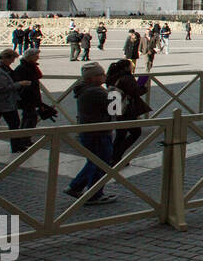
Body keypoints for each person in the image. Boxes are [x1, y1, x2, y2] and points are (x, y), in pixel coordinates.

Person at [64, 62, 117, 204]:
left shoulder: (85, 89)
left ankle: (75, 187)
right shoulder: (96, 91)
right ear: (91, 78)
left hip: (89, 131)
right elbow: (116, 109)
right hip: (98, 132)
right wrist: (114, 92)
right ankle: (94, 194)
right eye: (101, 74)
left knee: (94, 162)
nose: (104, 76)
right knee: (101, 163)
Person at [106, 58, 149, 163]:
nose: (132, 66)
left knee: (120, 133)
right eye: (131, 65)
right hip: (126, 109)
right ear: (126, 67)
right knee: (135, 132)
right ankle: (116, 156)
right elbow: (135, 92)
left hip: (115, 107)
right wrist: (143, 87)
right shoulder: (127, 78)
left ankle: (114, 156)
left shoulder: (112, 77)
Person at [11, 48, 46, 153]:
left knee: (29, 117)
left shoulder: (30, 66)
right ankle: (23, 139)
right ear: (30, 57)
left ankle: (24, 138)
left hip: (31, 96)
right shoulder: (23, 68)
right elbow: (20, 83)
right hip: (26, 97)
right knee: (29, 118)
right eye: (36, 56)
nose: (38, 57)